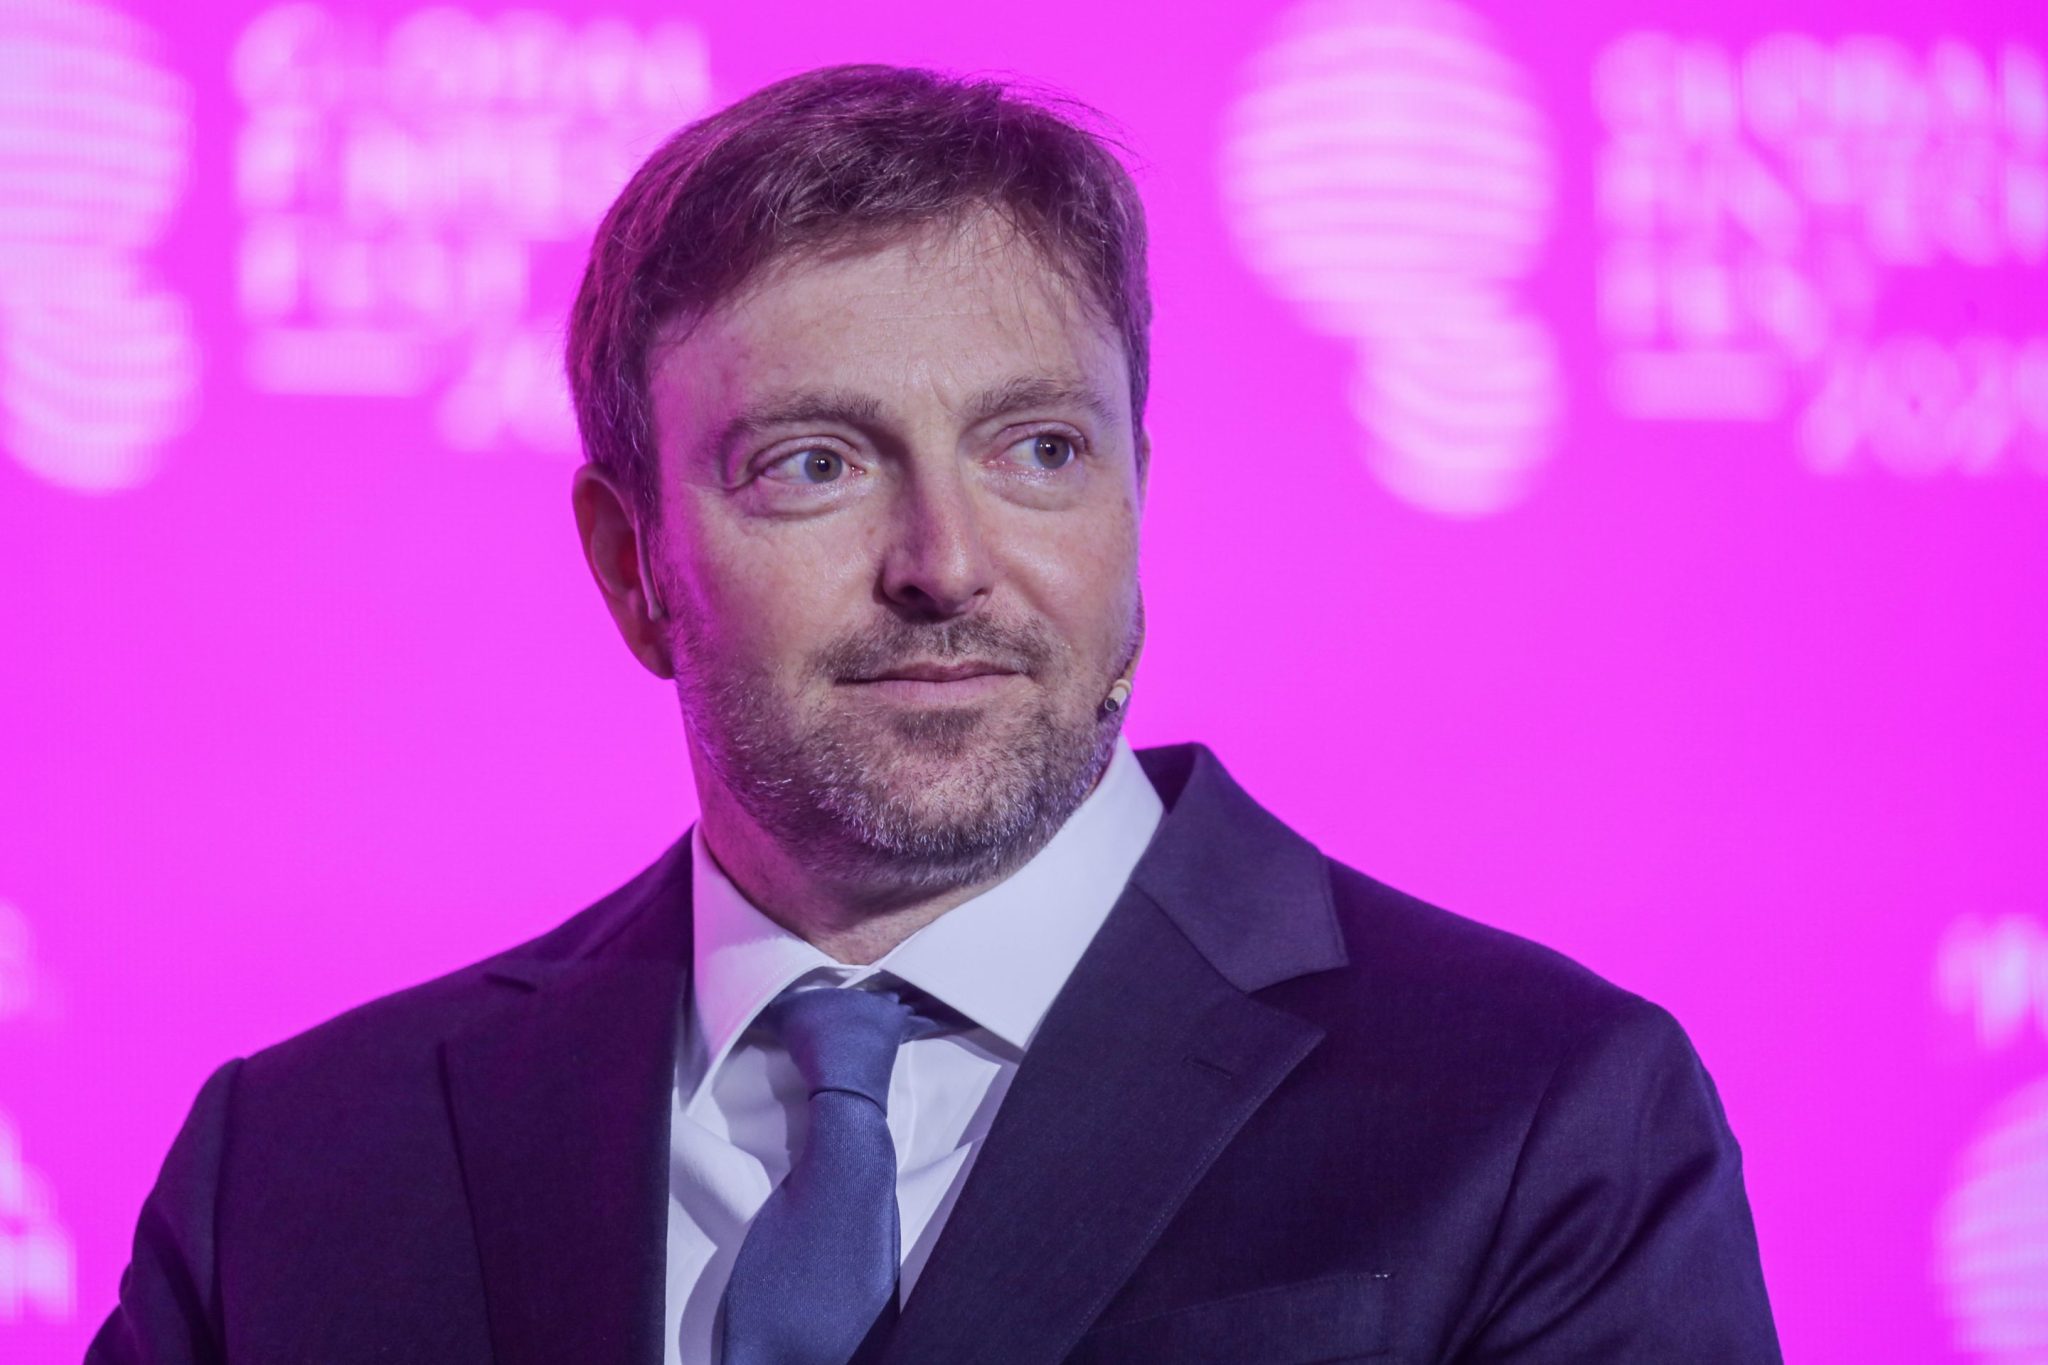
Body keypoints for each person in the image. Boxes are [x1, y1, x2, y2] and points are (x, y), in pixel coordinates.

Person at [89, 65, 1780, 1364]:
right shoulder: (302, 1168)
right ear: (633, 564)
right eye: (814, 464)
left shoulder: (1540, 1115)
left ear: (1133, 494)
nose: (946, 563)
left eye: (1038, 449)